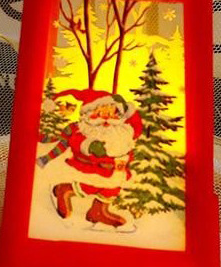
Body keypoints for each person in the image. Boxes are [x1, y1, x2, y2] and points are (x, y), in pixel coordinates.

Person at [38, 90, 143, 231]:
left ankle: (98, 211)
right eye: (100, 113)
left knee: (111, 190)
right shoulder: (84, 130)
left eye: (111, 113)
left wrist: (130, 110)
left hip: (116, 171)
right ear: (89, 114)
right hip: (91, 169)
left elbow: (137, 128)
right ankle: (65, 190)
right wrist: (89, 146)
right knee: (91, 186)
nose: (106, 118)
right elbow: (76, 141)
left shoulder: (122, 131)